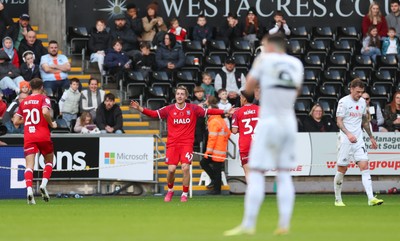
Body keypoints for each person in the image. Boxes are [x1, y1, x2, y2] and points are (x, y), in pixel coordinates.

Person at [224, 34, 304, 236]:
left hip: (268, 121)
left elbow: (249, 89)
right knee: (284, 173)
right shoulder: (296, 64)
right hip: (287, 121)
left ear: (268, 46)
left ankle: (249, 224)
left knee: (256, 173)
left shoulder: (264, 61)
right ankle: (284, 223)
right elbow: (297, 90)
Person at [130, 86, 235, 202]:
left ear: (186, 96)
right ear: (175, 96)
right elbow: (154, 114)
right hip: (172, 144)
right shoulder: (169, 109)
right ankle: (170, 190)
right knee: (171, 169)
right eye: (178, 94)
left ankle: (184, 194)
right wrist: (140, 108)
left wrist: (225, 112)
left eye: (182, 94)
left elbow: (209, 111)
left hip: (186, 144)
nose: (179, 96)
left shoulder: (193, 109)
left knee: (185, 168)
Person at [334, 78, 383, 207]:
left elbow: (365, 121)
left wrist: (371, 137)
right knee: (342, 169)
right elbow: (339, 121)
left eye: (361, 92)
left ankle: (371, 198)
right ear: (351, 89)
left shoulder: (362, 102)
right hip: (345, 140)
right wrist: (348, 133)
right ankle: (338, 199)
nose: (360, 94)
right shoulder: (343, 102)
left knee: (365, 166)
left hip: (358, 140)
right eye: (357, 92)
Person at [13, 78, 57, 205]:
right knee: (49, 160)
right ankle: (43, 185)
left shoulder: (23, 102)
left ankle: (28, 190)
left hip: (29, 136)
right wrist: (51, 124)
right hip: (43, 135)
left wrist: (27, 119)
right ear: (42, 87)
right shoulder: (44, 98)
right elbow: (45, 112)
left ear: (30, 87)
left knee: (29, 166)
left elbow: (15, 121)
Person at [200, 96, 231, 195]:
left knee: (207, 165)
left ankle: (217, 190)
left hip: (214, 150)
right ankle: (215, 183)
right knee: (215, 169)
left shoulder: (213, 122)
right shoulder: (221, 121)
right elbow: (228, 133)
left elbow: (212, 138)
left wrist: (208, 152)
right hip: (221, 149)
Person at [231, 90, 259, 179]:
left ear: (244, 99)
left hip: (245, 144)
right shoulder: (260, 109)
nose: (240, 100)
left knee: (248, 171)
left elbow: (234, 130)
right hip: (258, 142)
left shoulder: (237, 112)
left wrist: (241, 128)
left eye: (240, 98)